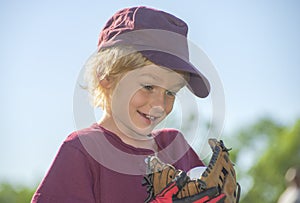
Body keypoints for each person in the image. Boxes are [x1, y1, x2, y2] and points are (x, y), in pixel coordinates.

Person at [31, 6, 223, 202]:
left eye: (170, 92)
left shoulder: (175, 148)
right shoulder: (84, 150)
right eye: (148, 86)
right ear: (106, 77)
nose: (159, 104)